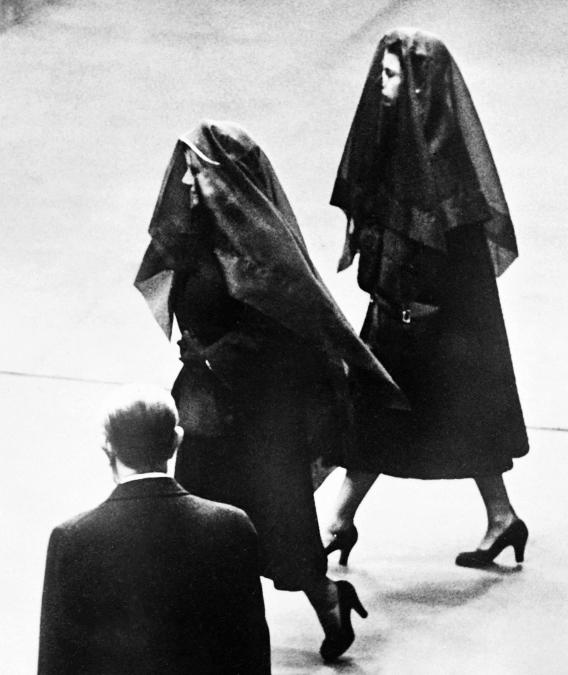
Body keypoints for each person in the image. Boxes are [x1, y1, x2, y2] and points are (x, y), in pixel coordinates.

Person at [134, 121, 404, 660]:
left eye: (198, 172)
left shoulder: (261, 251)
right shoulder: (190, 235)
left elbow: (285, 338)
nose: (187, 183)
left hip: (260, 414)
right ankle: (206, 626)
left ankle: (330, 599)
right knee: (197, 514)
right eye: (184, 170)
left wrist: (213, 354)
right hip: (207, 406)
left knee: (281, 526)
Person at [325, 28, 529, 568]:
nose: (380, 84)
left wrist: (416, 314)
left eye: (392, 75)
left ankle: (343, 521)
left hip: (433, 328)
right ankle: (344, 519)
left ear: (420, 89)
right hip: (401, 316)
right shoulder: (387, 147)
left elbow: (458, 271)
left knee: (413, 418)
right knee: (382, 416)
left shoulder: (448, 173)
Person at [38, 385, 270, 674]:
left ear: (107, 446)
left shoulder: (73, 538)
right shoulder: (232, 527)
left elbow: (57, 659)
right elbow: (251, 651)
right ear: (176, 441)